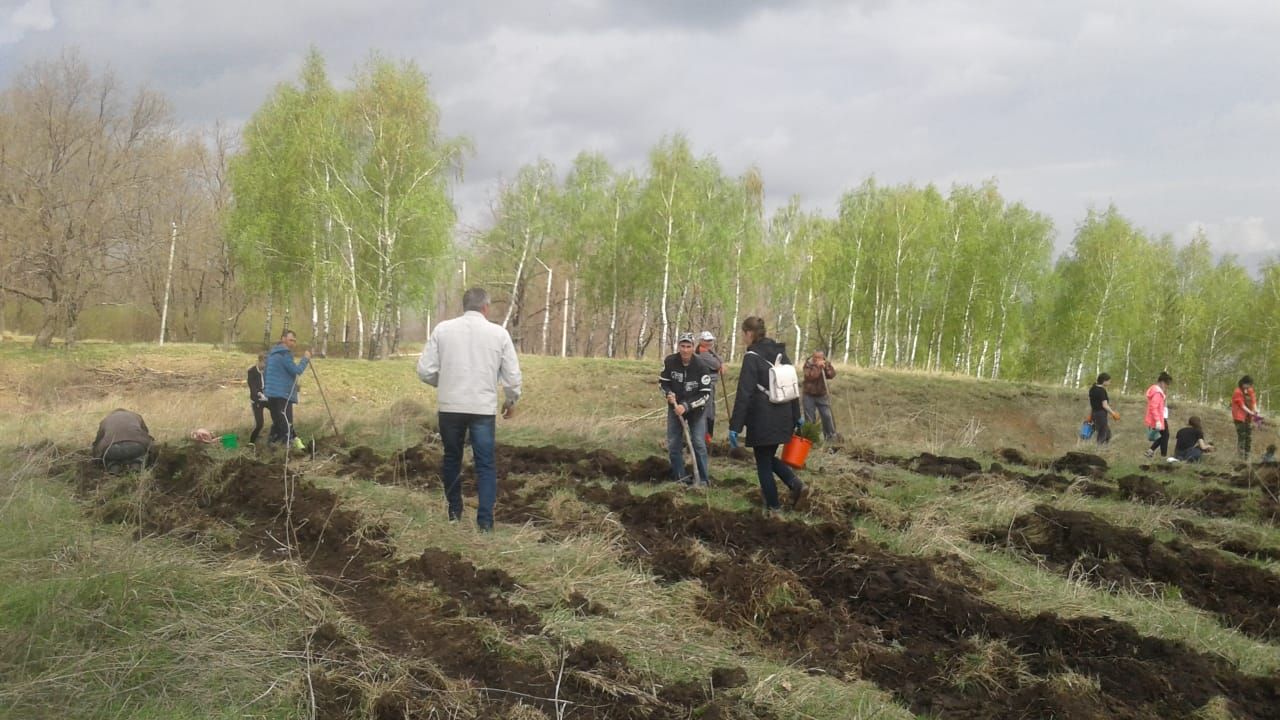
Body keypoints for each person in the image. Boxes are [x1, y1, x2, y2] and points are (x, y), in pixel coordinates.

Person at [417, 288, 522, 532]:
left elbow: (424, 370)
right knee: (485, 464)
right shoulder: (499, 334)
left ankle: (454, 513)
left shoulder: (443, 330)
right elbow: (513, 377)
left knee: (452, 458)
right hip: (482, 409)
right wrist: (511, 401)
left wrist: (443, 383)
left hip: (450, 407)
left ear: (464, 306)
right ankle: (485, 523)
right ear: (486, 308)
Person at [729, 316, 806, 514]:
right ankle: (795, 484)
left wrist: (735, 427)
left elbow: (744, 394)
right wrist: (796, 414)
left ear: (749, 333)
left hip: (762, 418)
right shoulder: (780, 352)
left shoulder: (752, 357)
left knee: (763, 463)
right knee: (768, 457)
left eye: (743, 334)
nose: (743, 338)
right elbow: (792, 386)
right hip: (784, 416)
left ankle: (774, 507)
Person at [660, 332, 713, 485]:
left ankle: (703, 479)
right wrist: (668, 394)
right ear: (678, 347)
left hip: (696, 410)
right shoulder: (670, 361)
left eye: (688, 346)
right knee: (674, 443)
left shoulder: (701, 366)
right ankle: (680, 477)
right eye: (682, 346)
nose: (685, 350)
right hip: (675, 408)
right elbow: (663, 382)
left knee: (698, 443)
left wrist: (687, 406)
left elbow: (705, 395)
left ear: (692, 347)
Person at [264, 329, 310, 448]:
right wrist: (306, 359)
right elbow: (297, 370)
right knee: (286, 422)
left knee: (278, 421)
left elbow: (268, 373)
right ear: (283, 339)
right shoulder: (285, 354)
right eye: (290, 340)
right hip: (282, 394)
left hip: (271, 394)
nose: (292, 343)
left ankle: (272, 445)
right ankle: (287, 447)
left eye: (294, 341)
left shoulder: (271, 354)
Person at [695, 331, 725, 443]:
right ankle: (705, 435)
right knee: (707, 410)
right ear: (701, 341)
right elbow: (717, 364)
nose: (709, 343)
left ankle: (708, 435)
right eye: (707, 341)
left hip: (711, 384)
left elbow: (720, 360)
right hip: (705, 385)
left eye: (711, 340)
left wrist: (720, 362)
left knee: (711, 408)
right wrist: (720, 364)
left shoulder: (708, 352)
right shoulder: (703, 354)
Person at [802, 350, 838, 441]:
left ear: (823, 357)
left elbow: (832, 375)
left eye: (819, 357)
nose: (817, 359)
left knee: (827, 416)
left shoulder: (826, 363)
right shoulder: (808, 365)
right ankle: (811, 439)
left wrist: (826, 368)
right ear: (813, 357)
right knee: (810, 418)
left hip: (822, 394)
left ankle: (830, 438)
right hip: (808, 395)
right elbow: (810, 376)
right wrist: (818, 367)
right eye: (815, 357)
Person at [1231, 375, 1261, 460]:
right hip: (1239, 417)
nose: (1249, 387)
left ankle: (1247, 457)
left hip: (1248, 418)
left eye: (1250, 385)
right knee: (1242, 438)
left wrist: (1256, 410)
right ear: (1243, 383)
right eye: (1248, 385)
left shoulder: (1250, 390)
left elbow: (1253, 400)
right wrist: (1251, 412)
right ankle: (1240, 459)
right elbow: (1241, 405)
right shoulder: (1237, 391)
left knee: (1249, 437)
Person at [1144, 372, 1172, 459]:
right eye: (1167, 384)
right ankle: (1163, 456)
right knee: (1165, 435)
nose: (1167, 386)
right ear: (1162, 382)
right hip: (1158, 419)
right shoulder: (1157, 393)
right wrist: (1157, 421)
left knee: (1164, 435)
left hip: (1159, 417)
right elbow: (1153, 407)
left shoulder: (1157, 391)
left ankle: (1151, 451)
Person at [1088, 373, 1120, 445]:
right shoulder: (1102, 391)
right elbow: (1105, 405)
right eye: (1109, 381)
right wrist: (1113, 414)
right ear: (1104, 381)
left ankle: (1103, 449)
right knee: (1103, 434)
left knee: (1107, 434)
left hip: (1094, 413)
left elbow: (1093, 403)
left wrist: (1090, 415)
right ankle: (1098, 450)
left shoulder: (1092, 389)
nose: (1109, 383)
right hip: (1100, 415)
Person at [247, 353, 268, 445]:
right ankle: (251, 442)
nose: (265, 365)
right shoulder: (252, 371)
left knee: (279, 415)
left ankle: (276, 438)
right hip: (257, 400)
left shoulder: (267, 371)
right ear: (259, 361)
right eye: (264, 363)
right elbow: (252, 387)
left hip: (267, 398)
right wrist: (259, 394)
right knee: (260, 424)